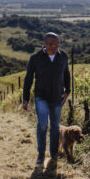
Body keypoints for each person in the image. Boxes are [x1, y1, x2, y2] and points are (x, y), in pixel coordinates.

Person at [23, 32, 70, 164]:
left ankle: (54, 153)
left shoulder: (63, 56)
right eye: (51, 44)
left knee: (55, 126)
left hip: (57, 96)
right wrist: (25, 98)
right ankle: (41, 154)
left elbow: (67, 74)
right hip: (41, 96)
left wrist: (68, 91)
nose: (54, 46)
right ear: (45, 44)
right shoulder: (36, 58)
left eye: (56, 43)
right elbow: (28, 79)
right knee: (43, 124)